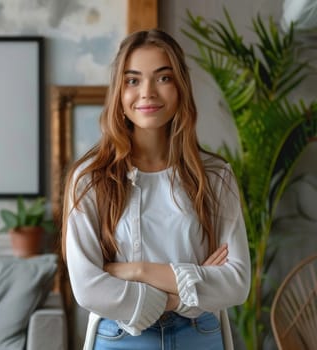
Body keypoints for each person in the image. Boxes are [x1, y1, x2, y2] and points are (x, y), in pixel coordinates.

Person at [61, 29, 251, 350]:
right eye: (133, 80)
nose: (147, 92)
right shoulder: (90, 178)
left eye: (163, 78)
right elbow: (88, 288)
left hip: (200, 336)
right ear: (119, 93)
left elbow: (236, 283)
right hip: (122, 338)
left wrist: (136, 270)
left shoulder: (215, 176)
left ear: (180, 88)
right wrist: (186, 291)